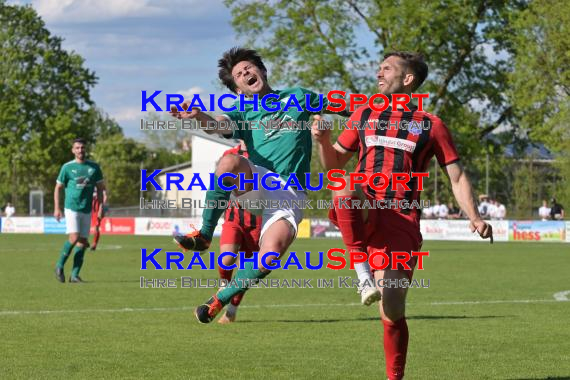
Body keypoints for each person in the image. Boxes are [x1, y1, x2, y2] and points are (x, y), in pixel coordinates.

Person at [311, 51, 493, 380]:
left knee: (392, 309)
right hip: (365, 207)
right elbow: (334, 166)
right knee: (345, 186)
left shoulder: (432, 125)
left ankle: (395, 377)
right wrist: (323, 140)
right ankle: (361, 271)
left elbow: (457, 177)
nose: (379, 73)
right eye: (379, 68)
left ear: (407, 79)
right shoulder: (363, 114)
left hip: (401, 220)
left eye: (387, 69)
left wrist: (475, 217)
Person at [170, 47, 368, 323]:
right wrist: (198, 116)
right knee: (228, 163)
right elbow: (218, 125)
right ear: (238, 89)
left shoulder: (298, 96)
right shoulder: (242, 110)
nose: (246, 73)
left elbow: (346, 107)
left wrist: (375, 111)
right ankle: (204, 234)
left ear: (262, 71)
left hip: (290, 193)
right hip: (259, 180)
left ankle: (219, 301)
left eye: (249, 68)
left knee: (269, 257)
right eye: (239, 74)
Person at [216, 141, 263, 324]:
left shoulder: (264, 153)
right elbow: (220, 183)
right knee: (226, 258)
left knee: (245, 269)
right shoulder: (230, 154)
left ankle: (232, 310)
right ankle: (223, 286)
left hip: (258, 221)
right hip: (233, 216)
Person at [54, 138, 105, 283]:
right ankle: (59, 265)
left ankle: (74, 275)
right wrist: (57, 208)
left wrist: (101, 208)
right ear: (73, 150)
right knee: (74, 238)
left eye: (82, 147)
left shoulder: (94, 168)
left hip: (87, 209)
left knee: (83, 242)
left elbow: (101, 189)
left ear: (85, 149)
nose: (80, 150)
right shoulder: (67, 167)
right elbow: (58, 188)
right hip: (71, 208)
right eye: (77, 148)